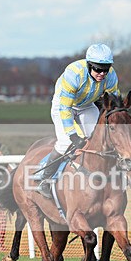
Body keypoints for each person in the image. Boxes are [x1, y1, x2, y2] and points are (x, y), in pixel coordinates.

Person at [34, 43, 121, 198]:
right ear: (89, 65)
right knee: (66, 143)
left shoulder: (111, 76)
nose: (102, 73)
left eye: (105, 69)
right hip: (64, 106)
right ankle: (45, 179)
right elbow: (65, 109)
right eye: (97, 69)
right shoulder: (74, 74)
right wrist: (73, 134)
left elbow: (114, 103)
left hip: (87, 106)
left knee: (101, 140)